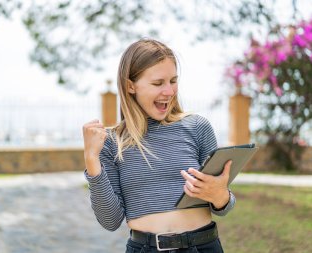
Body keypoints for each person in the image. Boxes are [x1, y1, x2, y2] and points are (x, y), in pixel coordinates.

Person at [83, 38, 235, 253]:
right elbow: (110, 221)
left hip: (203, 246)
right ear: (130, 86)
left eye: (173, 81)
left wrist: (220, 195)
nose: (169, 91)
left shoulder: (197, 127)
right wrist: (91, 159)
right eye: (158, 83)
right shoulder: (111, 143)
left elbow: (224, 205)